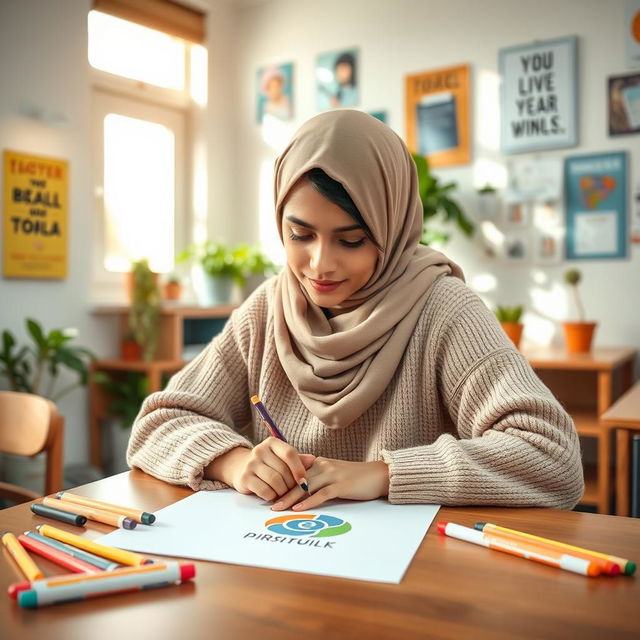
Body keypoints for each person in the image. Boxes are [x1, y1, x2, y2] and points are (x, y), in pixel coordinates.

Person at [127, 110, 583, 513]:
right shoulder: (268, 308)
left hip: (417, 582)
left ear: (392, 228)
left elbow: (552, 457)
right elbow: (158, 423)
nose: (320, 264)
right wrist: (233, 461)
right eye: (300, 235)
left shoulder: (445, 310)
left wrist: (384, 474)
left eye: (351, 240)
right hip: (286, 574)